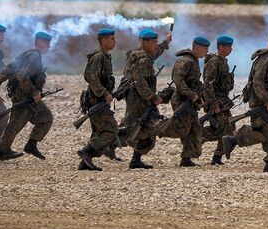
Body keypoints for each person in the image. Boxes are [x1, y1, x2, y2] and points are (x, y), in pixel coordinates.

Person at [222, 32, 268, 173]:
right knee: (264, 132)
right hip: (262, 103)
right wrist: (267, 101)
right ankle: (233, 140)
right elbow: (257, 82)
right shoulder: (267, 58)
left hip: (267, 102)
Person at [0, 32, 54, 161]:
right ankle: (0, 152)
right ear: (40, 42)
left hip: (25, 97)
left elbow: (11, 67)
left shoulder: (28, 54)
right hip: (25, 98)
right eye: (47, 43)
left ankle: (31, 145)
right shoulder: (34, 56)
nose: (49, 46)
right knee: (15, 125)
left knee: (45, 117)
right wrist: (34, 93)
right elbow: (21, 75)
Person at [120, 28, 170, 169]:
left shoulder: (138, 55)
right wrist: (153, 97)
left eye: (157, 41)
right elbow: (141, 82)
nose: (156, 44)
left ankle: (134, 158)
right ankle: (96, 147)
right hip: (139, 99)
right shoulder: (142, 60)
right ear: (144, 42)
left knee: (137, 126)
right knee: (144, 128)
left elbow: (156, 52)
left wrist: (165, 43)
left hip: (136, 97)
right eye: (154, 42)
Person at [158, 37, 209, 167]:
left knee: (194, 127)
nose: (207, 51)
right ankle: (154, 128)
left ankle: (187, 158)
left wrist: (198, 98)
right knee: (181, 128)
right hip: (182, 100)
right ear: (197, 47)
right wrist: (192, 95)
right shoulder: (186, 60)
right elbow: (178, 80)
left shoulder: (194, 61)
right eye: (205, 48)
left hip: (190, 101)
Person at [77, 28, 119, 171]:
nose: (115, 41)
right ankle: (87, 151)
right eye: (112, 39)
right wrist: (105, 93)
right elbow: (91, 77)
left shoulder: (105, 57)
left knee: (98, 131)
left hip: (99, 101)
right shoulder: (99, 57)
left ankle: (85, 163)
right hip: (96, 101)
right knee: (111, 129)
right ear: (103, 40)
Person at [201, 35, 237, 166]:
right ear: (220, 47)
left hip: (223, 101)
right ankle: (197, 138)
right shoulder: (214, 62)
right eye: (228, 47)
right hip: (216, 102)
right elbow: (207, 85)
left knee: (229, 127)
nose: (230, 49)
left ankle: (216, 156)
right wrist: (214, 104)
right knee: (226, 128)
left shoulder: (224, 61)